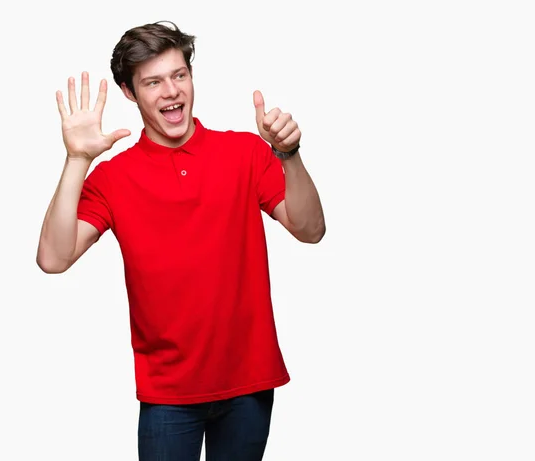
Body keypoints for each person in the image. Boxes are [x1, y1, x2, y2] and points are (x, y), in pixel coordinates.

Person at [36, 20, 325, 461]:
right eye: (153, 82)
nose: (171, 91)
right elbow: (54, 259)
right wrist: (77, 159)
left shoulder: (245, 152)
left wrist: (289, 155)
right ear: (129, 93)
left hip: (249, 382)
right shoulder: (113, 178)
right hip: (168, 392)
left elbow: (310, 230)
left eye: (179, 75)